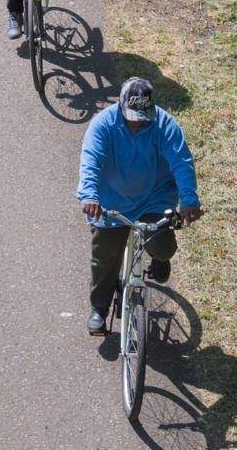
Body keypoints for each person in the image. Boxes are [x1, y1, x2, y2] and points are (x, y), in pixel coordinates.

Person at [77, 77, 203, 335]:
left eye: (143, 115)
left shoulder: (164, 124)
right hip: (111, 201)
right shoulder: (102, 125)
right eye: (132, 115)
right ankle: (99, 309)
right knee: (104, 257)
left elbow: (181, 162)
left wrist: (189, 199)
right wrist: (89, 195)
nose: (137, 120)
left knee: (162, 245)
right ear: (120, 105)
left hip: (154, 197)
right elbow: (91, 160)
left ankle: (159, 259)